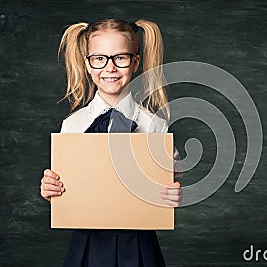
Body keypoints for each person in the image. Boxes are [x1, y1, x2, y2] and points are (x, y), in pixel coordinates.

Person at [40, 18, 182, 267]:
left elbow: (172, 181)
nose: (110, 68)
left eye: (120, 58)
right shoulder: (72, 126)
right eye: (100, 59)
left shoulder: (154, 126)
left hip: (139, 244)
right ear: (88, 64)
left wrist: (174, 193)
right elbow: (66, 189)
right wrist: (51, 190)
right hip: (86, 244)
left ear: (135, 62)